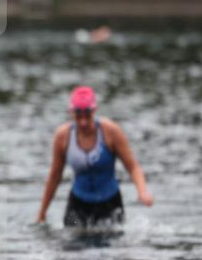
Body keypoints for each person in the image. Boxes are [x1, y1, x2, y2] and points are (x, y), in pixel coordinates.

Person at [36, 86, 152, 228]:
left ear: (94, 111)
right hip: (77, 205)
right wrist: (42, 212)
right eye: (78, 116)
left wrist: (142, 192)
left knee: (110, 243)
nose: (83, 122)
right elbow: (54, 176)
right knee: (70, 239)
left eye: (87, 115)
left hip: (110, 203)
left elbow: (133, 167)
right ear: (72, 112)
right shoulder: (63, 137)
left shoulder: (111, 132)